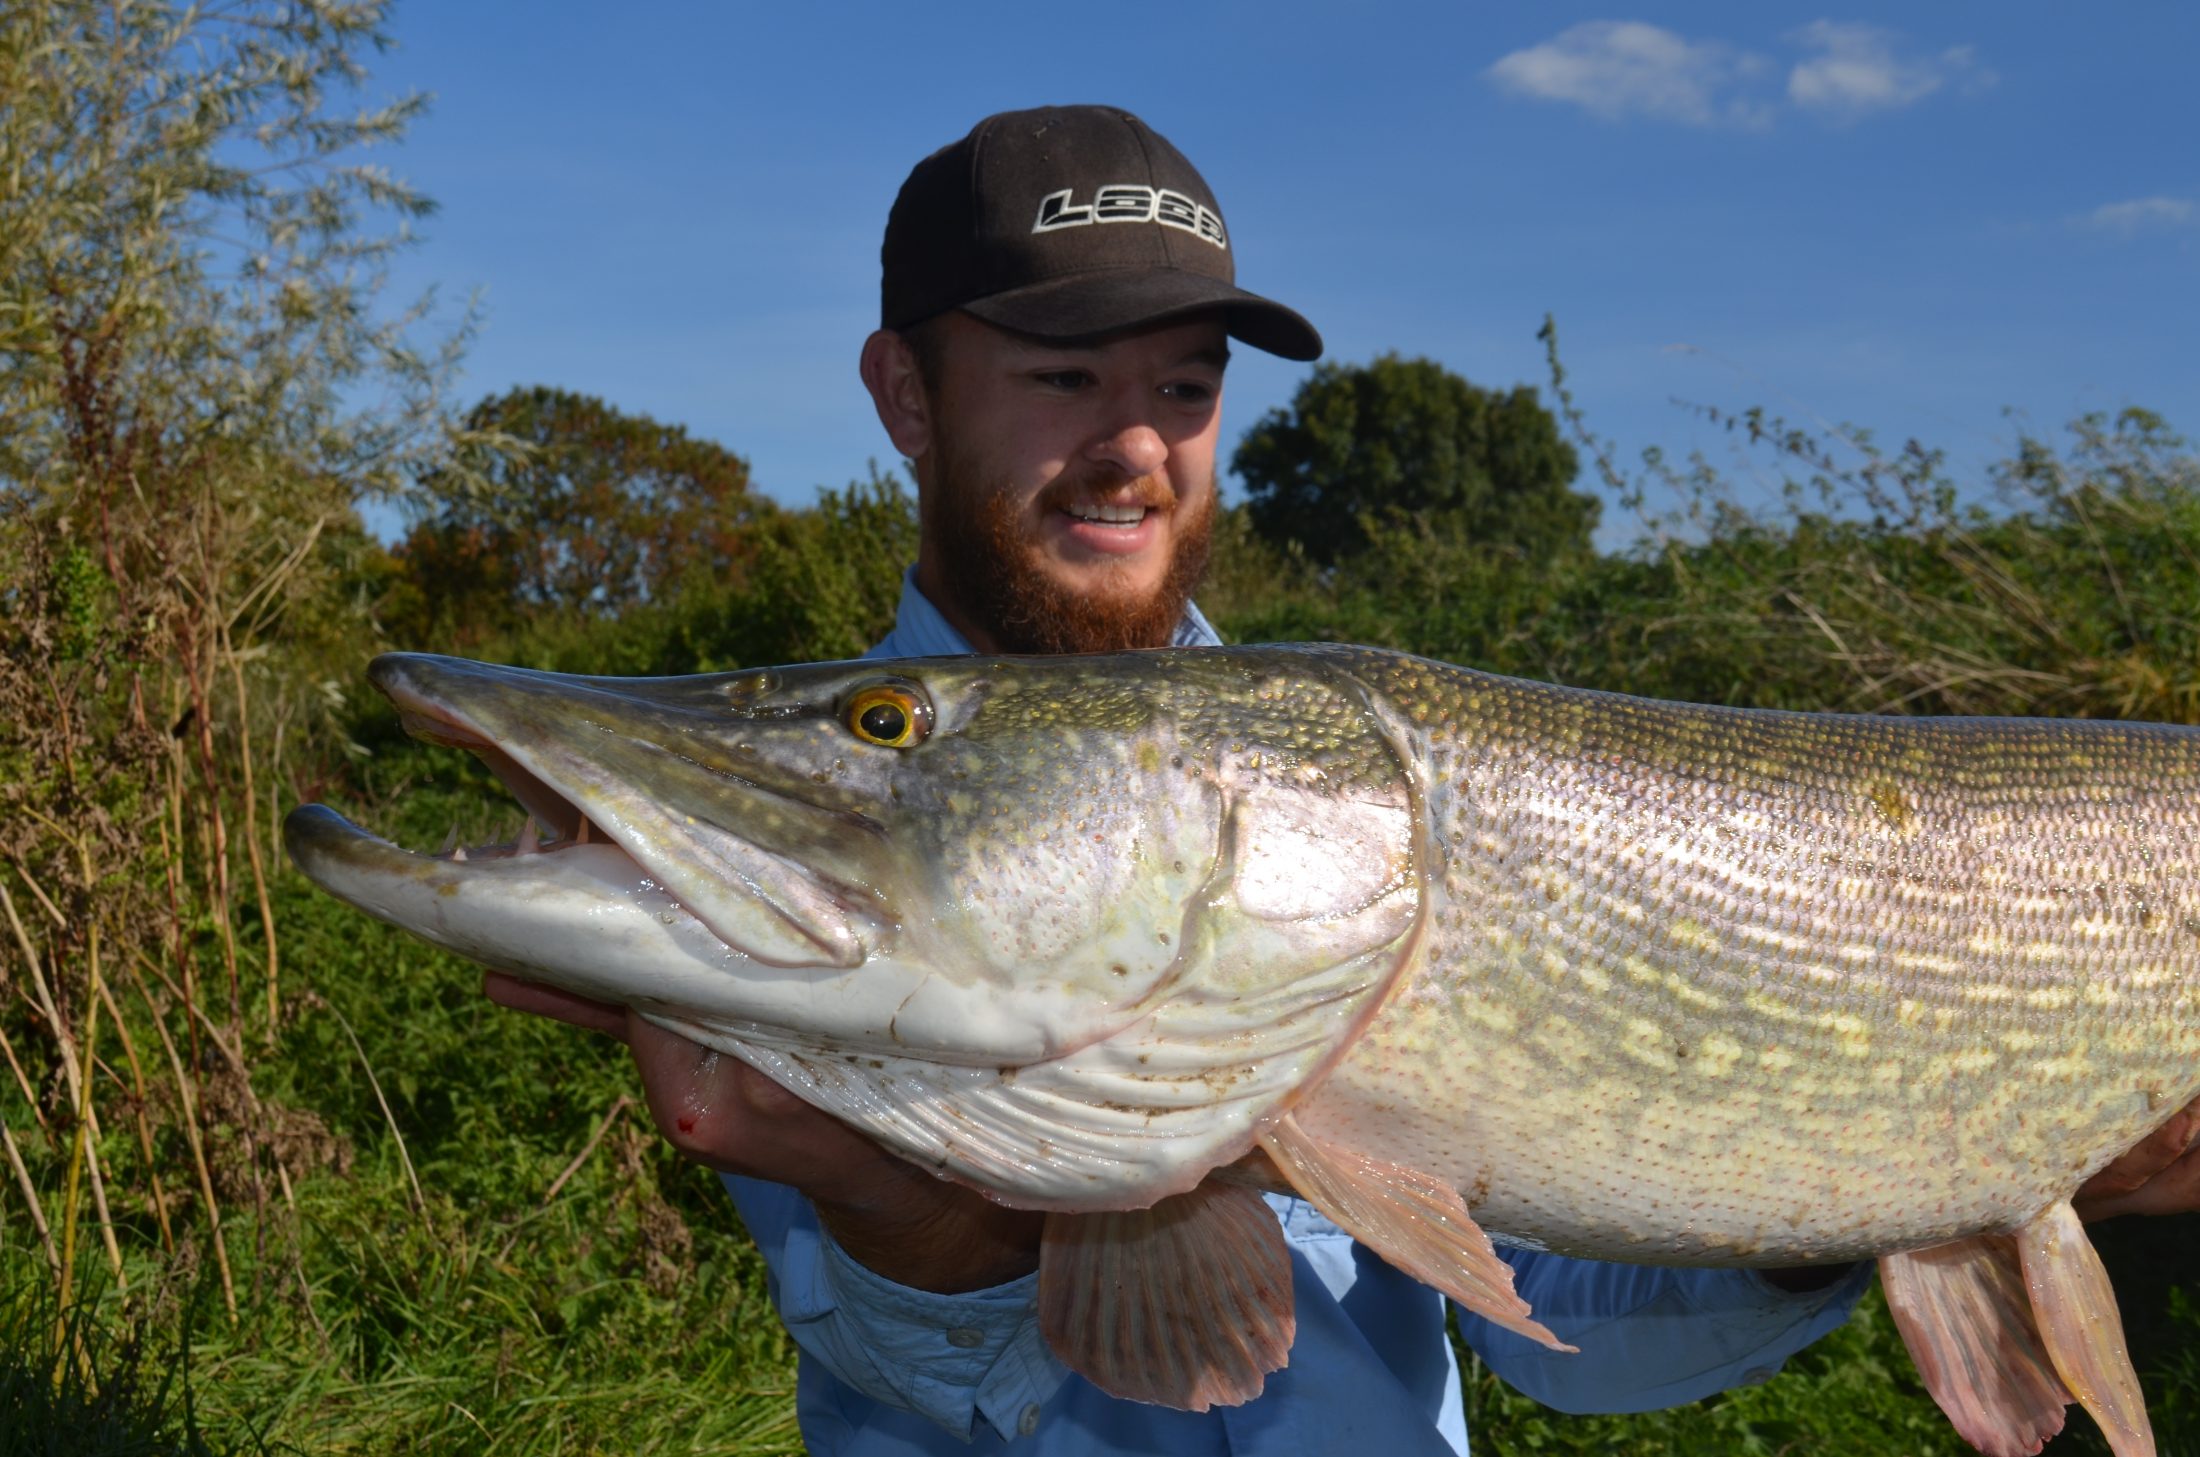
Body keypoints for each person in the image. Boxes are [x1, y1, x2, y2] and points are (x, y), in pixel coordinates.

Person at [487, 106, 2200, 1454]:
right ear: (905, 396)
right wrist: (899, 1216)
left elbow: (1569, 1342)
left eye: (1183, 385)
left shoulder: (1315, 791)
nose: (1135, 444)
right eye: (1063, 375)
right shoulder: (866, 858)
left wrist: (1868, 1190)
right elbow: (944, 1383)